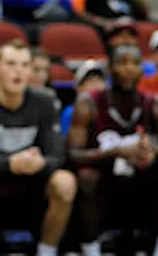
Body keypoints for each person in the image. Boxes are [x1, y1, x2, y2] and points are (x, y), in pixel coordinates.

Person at [69, 42, 158, 256]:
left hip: (144, 182)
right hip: (104, 182)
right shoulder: (88, 103)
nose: (128, 69)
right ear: (110, 68)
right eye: (122, 63)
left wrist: (153, 149)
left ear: (142, 70)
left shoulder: (155, 103)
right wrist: (117, 151)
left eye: (135, 63)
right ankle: (91, 250)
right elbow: (73, 155)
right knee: (86, 178)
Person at [0, 39, 74, 256]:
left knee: (65, 182)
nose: (19, 71)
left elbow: (57, 154)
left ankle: (47, 250)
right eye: (11, 64)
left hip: (32, 176)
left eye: (25, 65)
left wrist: (40, 162)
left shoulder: (44, 100)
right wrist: (10, 163)